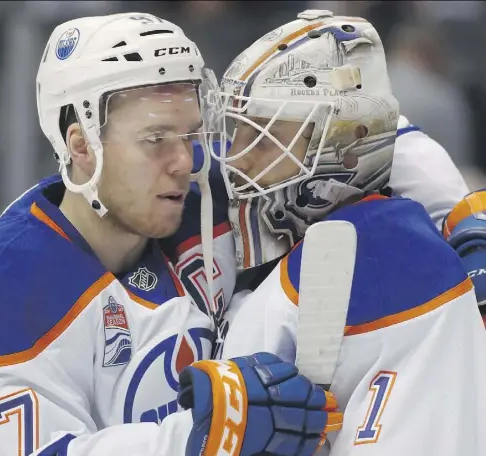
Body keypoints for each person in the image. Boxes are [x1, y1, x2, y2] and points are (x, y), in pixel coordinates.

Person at [0, 12, 342, 456]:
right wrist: (201, 437)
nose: (184, 161)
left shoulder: (215, 193)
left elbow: (367, 146)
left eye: (190, 134)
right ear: (82, 145)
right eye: (156, 138)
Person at [204, 9, 486, 455]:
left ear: (337, 147)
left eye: (262, 136)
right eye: (238, 131)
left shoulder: (387, 263)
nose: (235, 159)